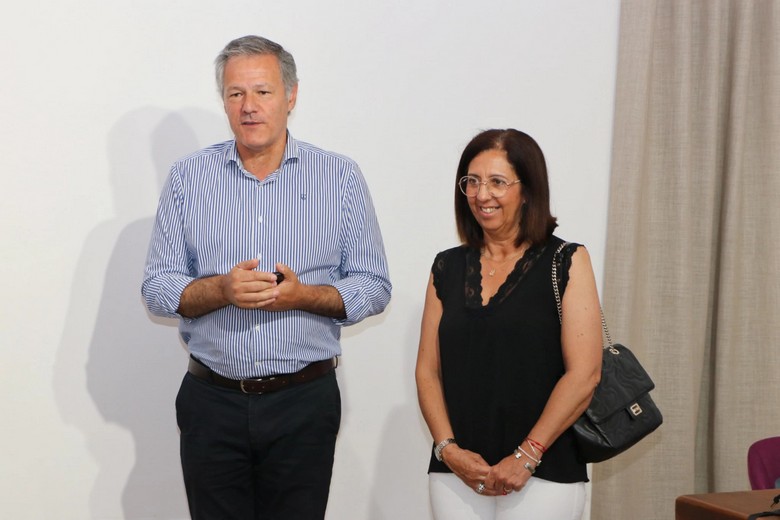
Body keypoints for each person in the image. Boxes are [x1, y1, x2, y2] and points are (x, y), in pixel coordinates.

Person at [142, 35, 391, 519]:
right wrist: (222, 289)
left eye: (263, 91)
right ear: (223, 101)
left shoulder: (339, 177)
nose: (249, 106)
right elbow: (156, 288)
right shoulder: (188, 178)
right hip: (211, 403)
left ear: (291, 96)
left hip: (304, 403)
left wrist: (304, 296)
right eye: (236, 93)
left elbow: (374, 285)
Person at [415, 129, 602, 520]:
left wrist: (527, 455)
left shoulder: (567, 260)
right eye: (472, 182)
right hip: (456, 473)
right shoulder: (446, 266)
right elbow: (427, 371)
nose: (482, 195)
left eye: (497, 182)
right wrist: (449, 450)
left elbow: (584, 374)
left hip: (543, 472)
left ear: (528, 190)